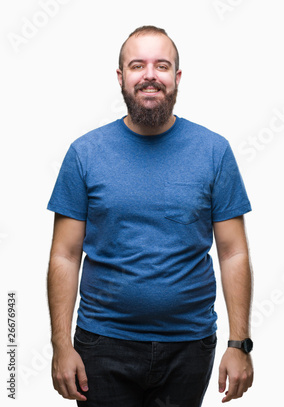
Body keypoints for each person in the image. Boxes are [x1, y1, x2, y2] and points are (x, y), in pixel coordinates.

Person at [46, 25, 254, 407]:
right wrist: (60, 345)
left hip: (189, 345)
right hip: (101, 343)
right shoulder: (85, 153)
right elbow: (64, 255)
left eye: (161, 65)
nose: (149, 75)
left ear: (176, 77)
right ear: (121, 76)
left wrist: (239, 343)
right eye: (137, 65)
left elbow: (233, 253)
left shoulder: (214, 151)